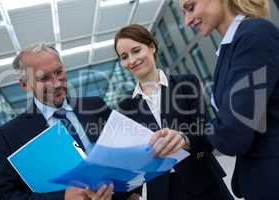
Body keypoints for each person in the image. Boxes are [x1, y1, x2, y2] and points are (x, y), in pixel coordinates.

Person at [0, 43, 128, 200]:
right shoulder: (10, 134)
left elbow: (126, 150)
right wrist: (62, 197)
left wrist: (133, 193)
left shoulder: (95, 106)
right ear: (25, 85)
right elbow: (2, 194)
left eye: (58, 72)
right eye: (44, 78)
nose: (56, 83)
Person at [114, 24, 233, 200]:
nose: (131, 60)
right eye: (124, 57)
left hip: (204, 183)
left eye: (136, 50)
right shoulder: (126, 107)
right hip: (162, 193)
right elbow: (135, 159)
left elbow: (207, 134)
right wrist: (133, 193)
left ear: (152, 46)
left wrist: (184, 140)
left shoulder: (186, 84)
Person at [176, 0, 279, 199]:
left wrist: (202, 133)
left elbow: (232, 134)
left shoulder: (255, 36)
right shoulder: (231, 48)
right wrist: (186, 138)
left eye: (191, 7)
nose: (187, 21)